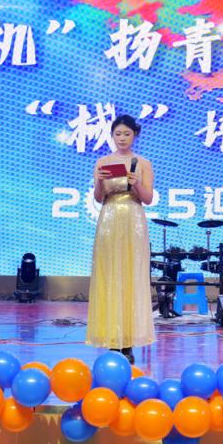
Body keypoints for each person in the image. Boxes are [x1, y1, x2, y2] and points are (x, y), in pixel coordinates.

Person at [86, 115, 156, 363]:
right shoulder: (103, 162)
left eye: (127, 134)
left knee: (130, 276)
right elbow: (98, 197)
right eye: (118, 134)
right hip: (109, 218)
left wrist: (136, 184)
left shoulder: (143, 163)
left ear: (135, 135)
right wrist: (100, 182)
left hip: (133, 219)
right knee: (109, 275)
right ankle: (111, 340)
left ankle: (127, 342)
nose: (122, 138)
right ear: (112, 136)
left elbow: (148, 199)